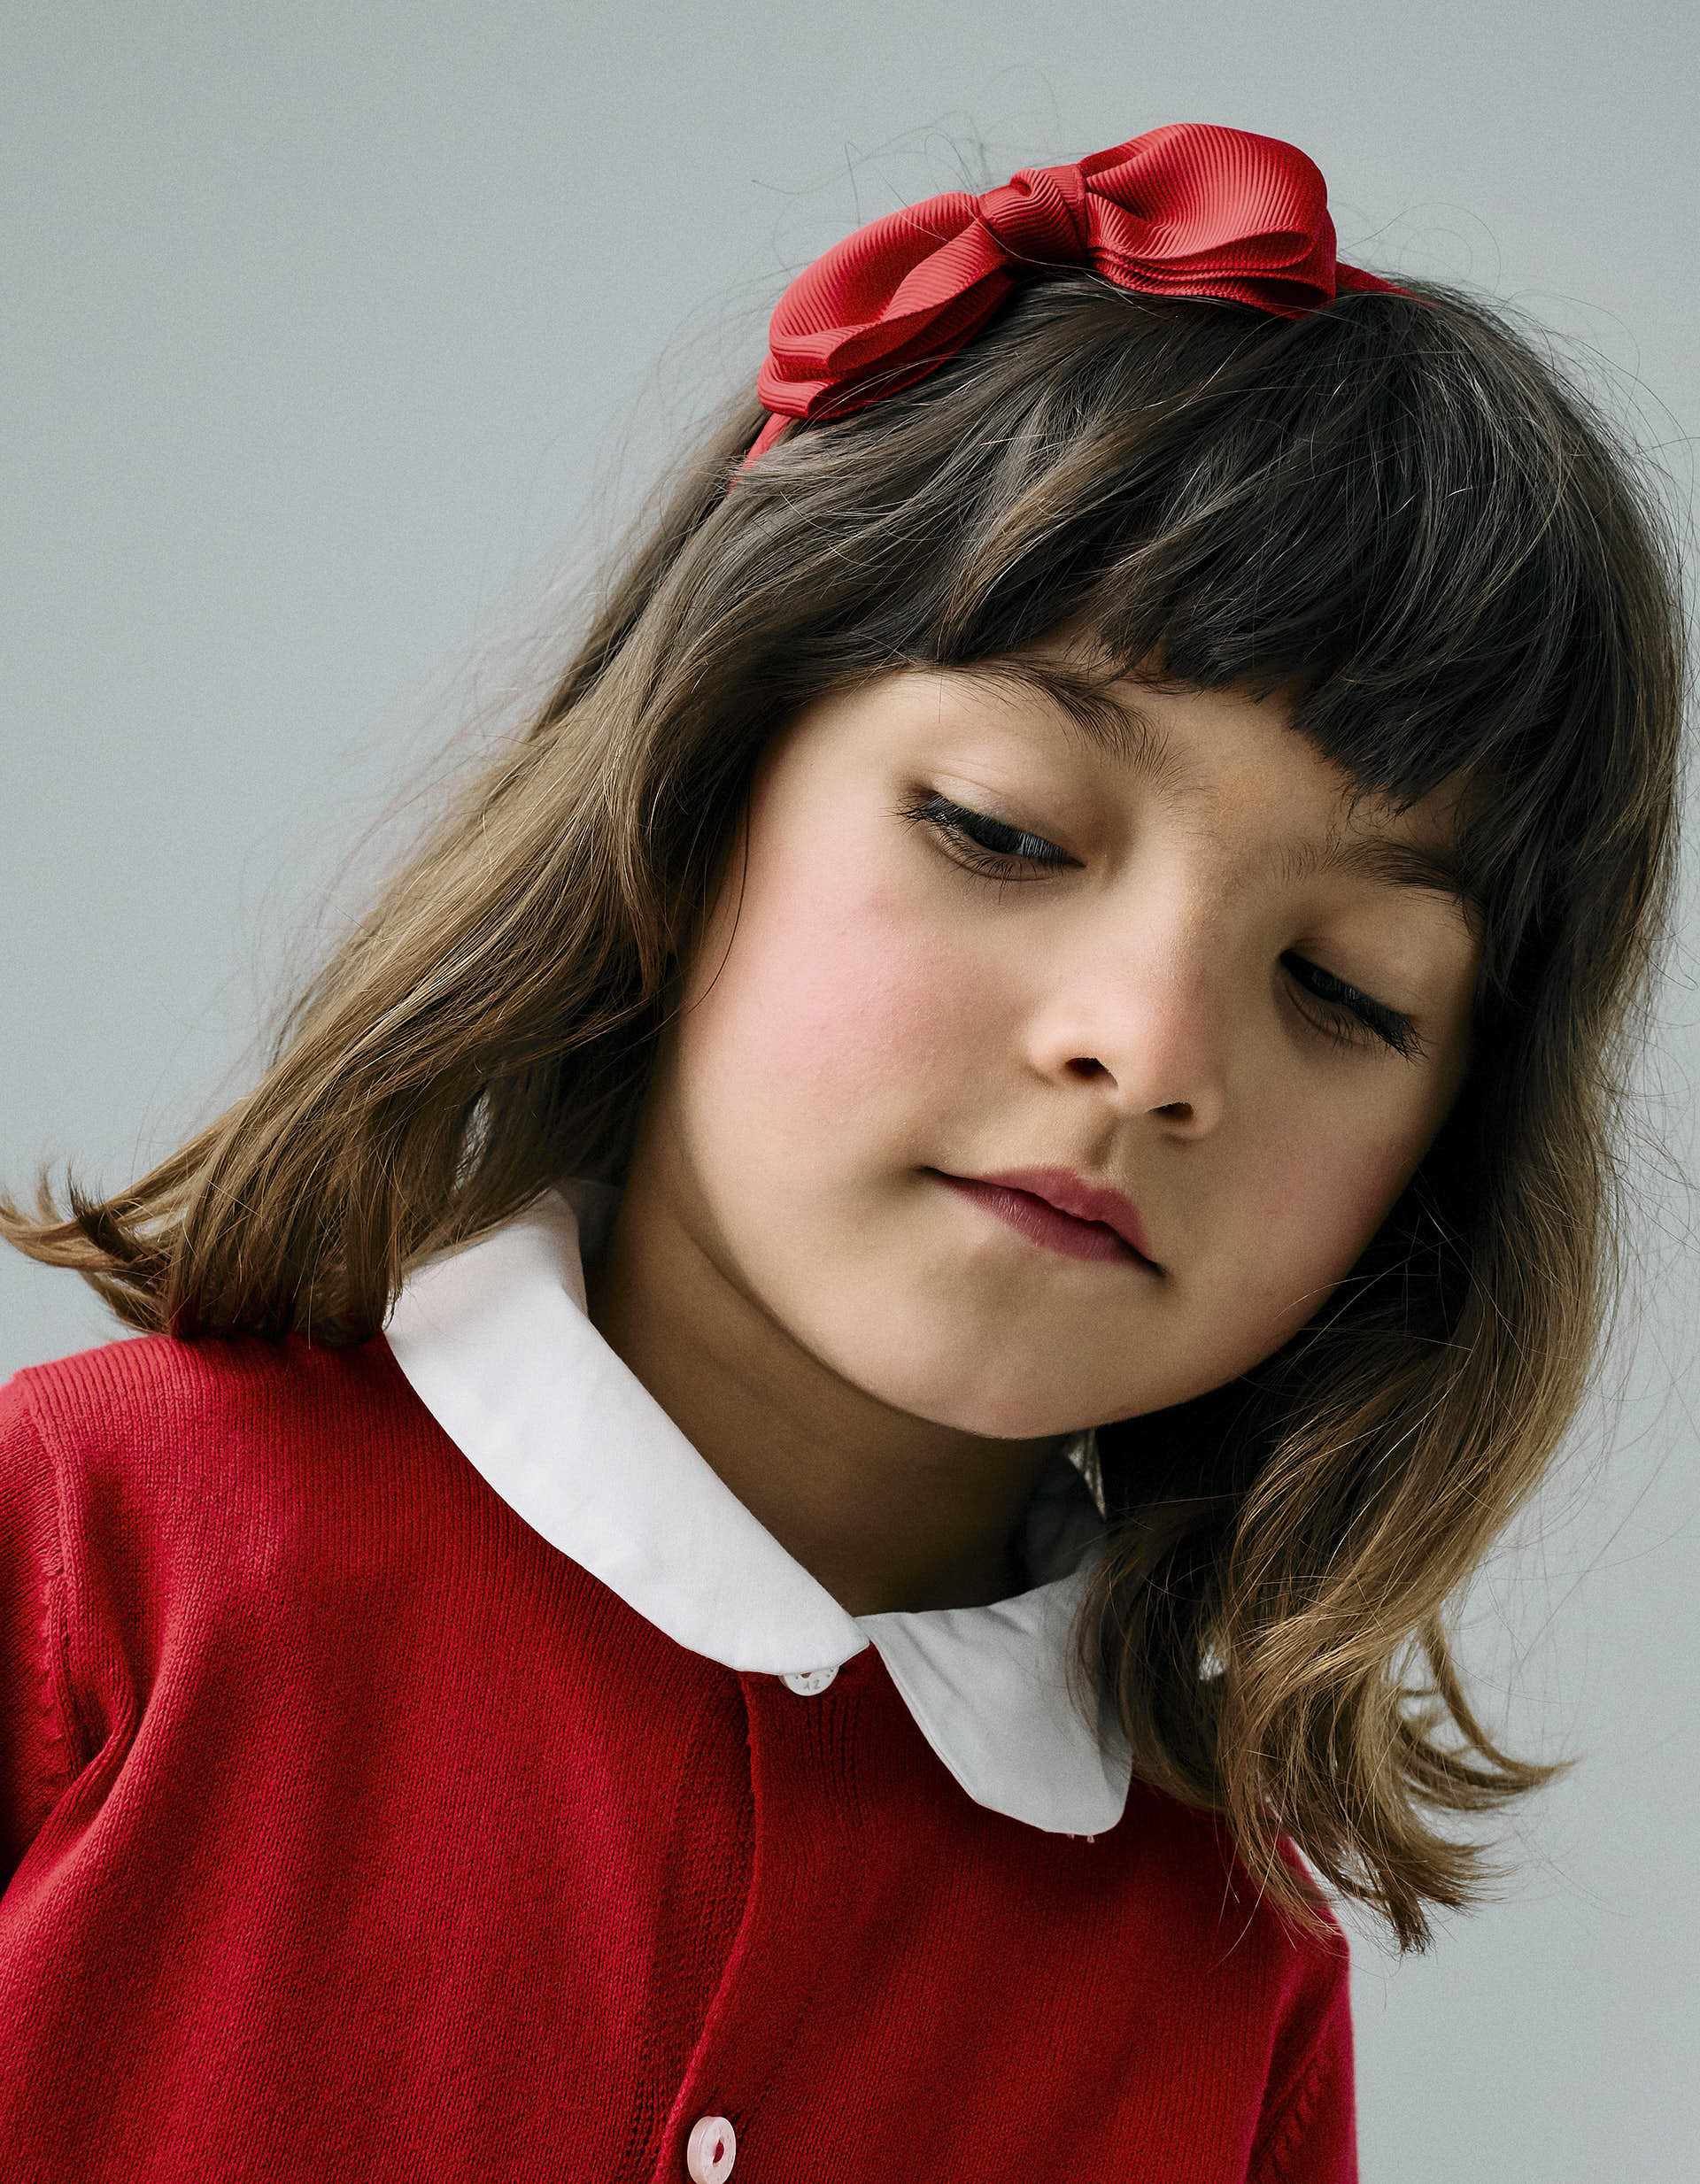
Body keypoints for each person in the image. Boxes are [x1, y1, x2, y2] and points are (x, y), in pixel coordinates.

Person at [0, 124, 1684, 2183]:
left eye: (1342, 984)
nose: (1145, 1048)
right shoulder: (87, 1558)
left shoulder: (1231, 1974)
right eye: (1001, 830)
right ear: (695, 794)